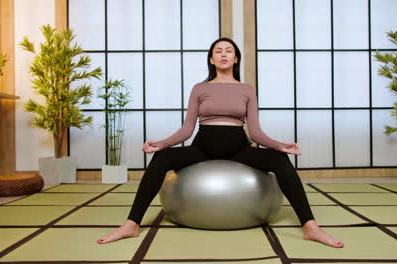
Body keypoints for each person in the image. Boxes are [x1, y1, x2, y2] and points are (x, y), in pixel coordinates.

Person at [97, 37, 344, 248]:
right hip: (202, 147)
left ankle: (310, 226)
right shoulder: (199, 88)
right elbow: (186, 129)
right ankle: (131, 224)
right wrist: (161, 144)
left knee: (280, 160)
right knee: (161, 159)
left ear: (236, 59)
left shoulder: (247, 89)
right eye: (218, 51)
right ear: (212, 60)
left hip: (239, 149)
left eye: (229, 51)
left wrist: (280, 145)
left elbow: (255, 132)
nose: (223, 54)